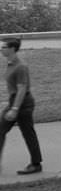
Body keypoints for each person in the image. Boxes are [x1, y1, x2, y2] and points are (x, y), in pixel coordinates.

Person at [0, 37, 43, 176]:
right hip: (15, 102)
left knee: (28, 133)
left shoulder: (21, 66)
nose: (1, 49)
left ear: (12, 48)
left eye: (4, 47)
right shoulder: (11, 63)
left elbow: (22, 88)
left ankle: (36, 164)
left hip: (23, 104)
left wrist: (14, 109)